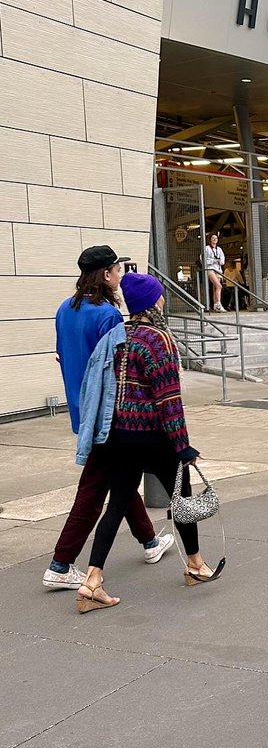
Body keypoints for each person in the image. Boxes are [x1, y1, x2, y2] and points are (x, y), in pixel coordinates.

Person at [75, 273, 218, 612]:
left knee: (118, 504)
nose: (164, 300)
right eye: (161, 295)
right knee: (181, 500)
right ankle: (195, 566)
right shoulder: (159, 339)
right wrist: (183, 445)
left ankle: (92, 581)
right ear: (153, 302)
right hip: (154, 436)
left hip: (119, 436)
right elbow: (168, 399)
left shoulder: (118, 335)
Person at [42, 246, 172, 592]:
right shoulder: (109, 317)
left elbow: (61, 356)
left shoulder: (63, 310)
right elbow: (119, 372)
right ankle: (60, 563)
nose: (120, 275)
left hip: (81, 411)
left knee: (122, 479)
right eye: (116, 270)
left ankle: (149, 542)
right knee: (93, 490)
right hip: (109, 416)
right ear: (105, 275)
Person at [204, 232, 226, 312]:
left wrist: (218, 261)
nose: (214, 240)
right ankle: (218, 304)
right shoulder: (206, 248)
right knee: (219, 286)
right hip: (210, 269)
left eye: (216, 238)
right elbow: (204, 259)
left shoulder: (219, 249)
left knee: (215, 288)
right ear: (210, 240)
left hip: (218, 269)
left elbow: (222, 260)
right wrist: (214, 261)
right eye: (213, 238)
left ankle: (215, 305)